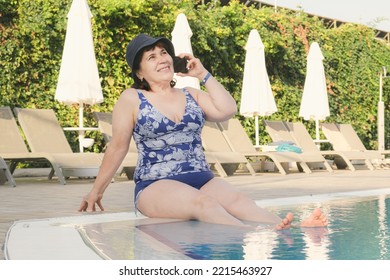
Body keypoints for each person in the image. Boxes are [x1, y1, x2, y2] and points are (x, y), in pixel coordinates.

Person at [79, 34, 327, 230]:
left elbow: (228, 109)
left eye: (164, 53)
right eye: (151, 57)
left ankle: (295, 228)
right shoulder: (132, 98)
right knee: (205, 205)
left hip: (201, 178)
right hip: (155, 185)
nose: (162, 59)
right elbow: (118, 147)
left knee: (240, 201)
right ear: (139, 72)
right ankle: (260, 236)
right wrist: (96, 191)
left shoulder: (192, 94)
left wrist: (202, 74)